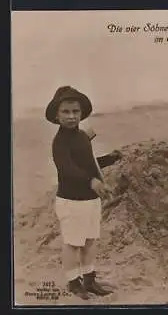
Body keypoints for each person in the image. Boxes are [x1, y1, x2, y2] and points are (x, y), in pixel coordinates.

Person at [46, 86, 119, 300]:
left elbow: (89, 164)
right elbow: (66, 168)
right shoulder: (60, 141)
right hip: (71, 200)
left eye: (75, 112)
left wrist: (111, 159)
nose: (71, 116)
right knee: (72, 244)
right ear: (56, 115)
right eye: (65, 112)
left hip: (90, 200)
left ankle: (89, 279)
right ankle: (73, 283)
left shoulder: (82, 137)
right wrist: (91, 181)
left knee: (89, 242)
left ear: (82, 113)